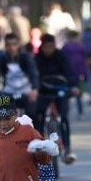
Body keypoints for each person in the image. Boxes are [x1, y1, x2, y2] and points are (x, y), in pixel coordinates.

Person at [33, 33, 78, 164]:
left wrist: (73, 86)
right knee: (38, 115)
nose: (48, 50)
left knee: (64, 118)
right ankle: (39, 145)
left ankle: (67, 149)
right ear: (42, 47)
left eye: (51, 47)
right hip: (43, 92)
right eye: (46, 47)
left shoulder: (61, 57)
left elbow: (69, 73)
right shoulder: (37, 59)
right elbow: (33, 75)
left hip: (60, 91)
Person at [0, 32, 40, 115]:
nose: (11, 47)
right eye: (8, 45)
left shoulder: (26, 57)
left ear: (18, 45)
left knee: (32, 114)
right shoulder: (1, 59)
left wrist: (35, 89)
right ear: (5, 46)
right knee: (1, 114)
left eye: (14, 44)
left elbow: (33, 73)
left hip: (25, 92)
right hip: (8, 92)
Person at [61, 29, 88, 117]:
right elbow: (83, 61)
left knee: (67, 92)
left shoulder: (65, 47)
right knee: (78, 93)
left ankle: (66, 111)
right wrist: (85, 73)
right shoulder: (81, 47)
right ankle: (80, 112)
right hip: (78, 72)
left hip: (68, 73)